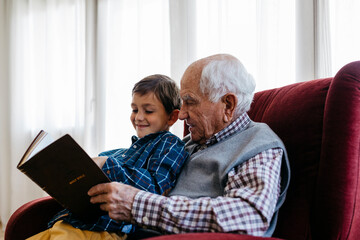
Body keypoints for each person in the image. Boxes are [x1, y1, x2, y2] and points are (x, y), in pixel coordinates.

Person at [88, 54, 290, 238]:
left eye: (189, 102)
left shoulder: (258, 145)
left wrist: (135, 205)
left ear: (228, 104)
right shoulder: (186, 144)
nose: (181, 114)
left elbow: (248, 217)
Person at [28, 74, 189, 240]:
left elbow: (155, 189)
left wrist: (106, 163)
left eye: (148, 111)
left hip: (104, 230)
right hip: (70, 222)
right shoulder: (120, 153)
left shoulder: (169, 145)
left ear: (172, 117)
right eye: (134, 110)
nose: (139, 117)